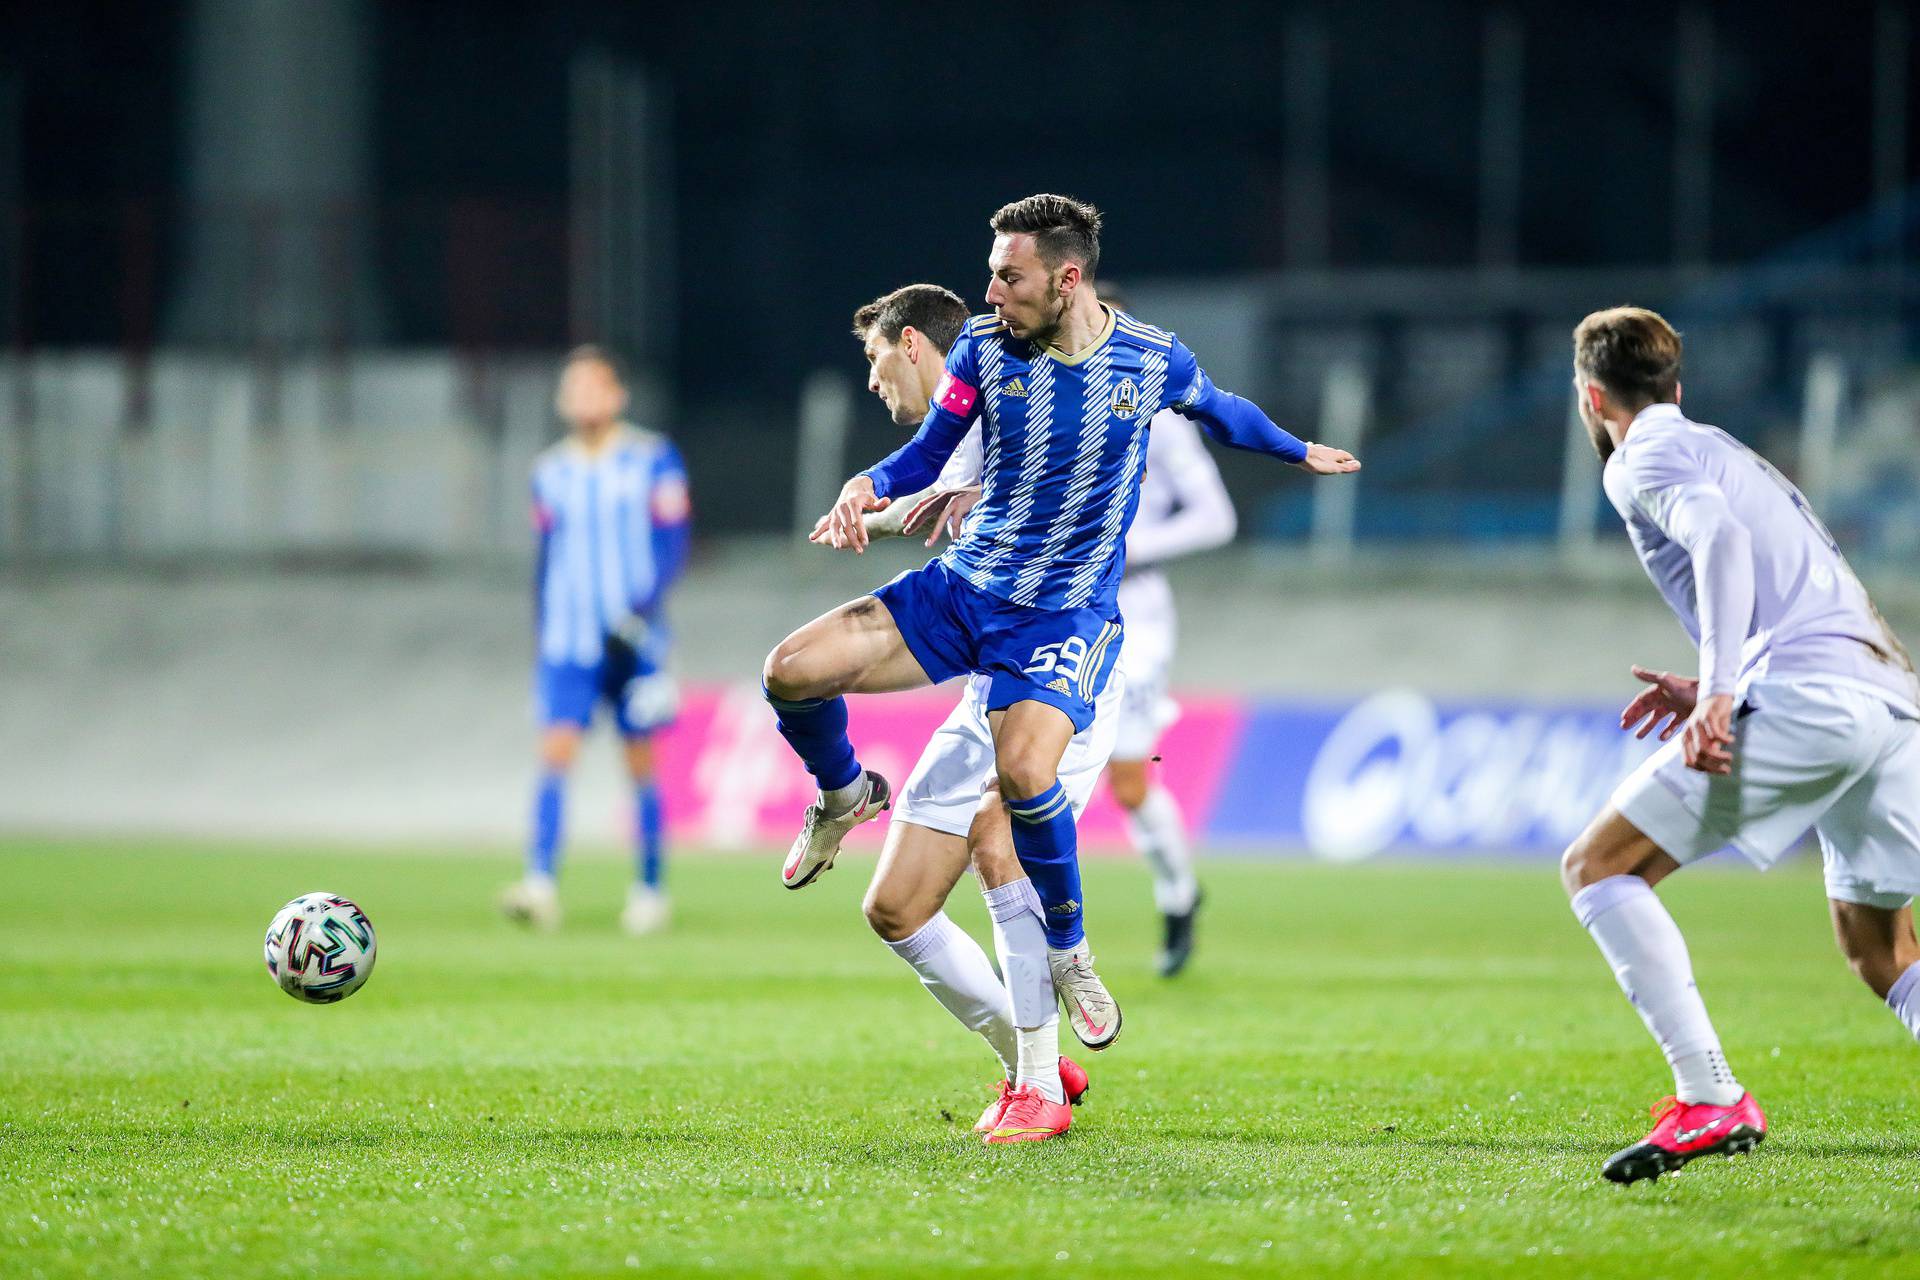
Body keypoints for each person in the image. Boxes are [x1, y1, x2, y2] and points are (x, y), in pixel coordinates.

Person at [763, 195, 1359, 1142]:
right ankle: (845, 798)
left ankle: (1051, 1036)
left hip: (1064, 630)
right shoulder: (985, 352)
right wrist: (867, 486)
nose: (992, 290)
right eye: (993, 272)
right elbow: (926, 450)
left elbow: (1224, 411)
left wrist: (1298, 450)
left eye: (1010, 275)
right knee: (803, 696)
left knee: (1013, 802)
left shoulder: (1148, 359)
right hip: (965, 600)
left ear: (1067, 276)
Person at [1561, 306, 1920, 1184]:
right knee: (1882, 948)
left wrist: (1721, 690)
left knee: (1599, 867)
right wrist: (1722, 675)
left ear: (1592, 395)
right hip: (1887, 697)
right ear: (1676, 385)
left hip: (1805, 695)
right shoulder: (1722, 446)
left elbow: (1718, 540)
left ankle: (1711, 1099)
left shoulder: (1639, 453)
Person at [827, 282, 1121, 1143]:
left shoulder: (1029, 404)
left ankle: (1037, 1090)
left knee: (1001, 831)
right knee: (895, 910)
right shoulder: (950, 444)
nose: (874, 383)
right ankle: (1034, 1061)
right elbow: (930, 496)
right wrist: (873, 511)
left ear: (917, 347)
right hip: (986, 691)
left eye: (877, 361)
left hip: (1064, 680)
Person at [500, 346, 692, 935]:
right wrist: (541, 626)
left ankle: (650, 888)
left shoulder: (652, 459)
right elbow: (546, 557)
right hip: (568, 642)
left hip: (633, 640)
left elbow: (674, 541)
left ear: (617, 395)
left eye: (594, 386)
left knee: (640, 761)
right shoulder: (549, 471)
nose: (583, 398)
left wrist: (644, 610)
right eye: (573, 387)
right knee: (554, 753)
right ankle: (539, 883)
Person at [1091, 282, 1237, 977]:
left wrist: (1133, 550)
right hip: (1056, 614)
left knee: (1127, 781)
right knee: (1028, 776)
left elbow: (1217, 518)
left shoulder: (1160, 420)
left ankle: (1179, 893)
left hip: (1136, 618)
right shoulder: (1038, 409)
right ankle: (1039, 940)